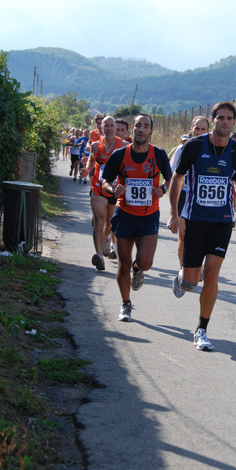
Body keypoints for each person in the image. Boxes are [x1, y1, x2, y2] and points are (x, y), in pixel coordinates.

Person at [168, 101, 236, 351]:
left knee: (212, 275)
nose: (225, 122)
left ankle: (202, 329)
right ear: (213, 120)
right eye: (221, 118)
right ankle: (182, 278)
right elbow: (177, 178)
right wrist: (174, 214)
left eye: (229, 119)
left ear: (234, 122)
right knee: (192, 279)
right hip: (195, 220)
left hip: (222, 222)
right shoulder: (194, 146)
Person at [102, 114, 172, 322]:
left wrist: (163, 189)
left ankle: (138, 269)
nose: (141, 129)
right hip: (124, 214)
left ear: (151, 131)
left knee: (146, 261)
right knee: (123, 262)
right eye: (138, 125)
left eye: (146, 126)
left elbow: (171, 178)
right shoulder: (119, 155)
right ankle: (125, 304)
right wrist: (114, 189)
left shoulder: (158, 155)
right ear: (132, 129)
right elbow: (106, 182)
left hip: (149, 215)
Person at [81, 117, 129, 270]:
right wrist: (86, 169)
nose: (108, 128)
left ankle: (106, 239)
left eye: (111, 126)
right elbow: (91, 160)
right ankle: (99, 255)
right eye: (105, 126)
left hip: (115, 189)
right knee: (99, 219)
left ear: (115, 128)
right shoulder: (96, 145)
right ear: (101, 128)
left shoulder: (125, 146)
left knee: (109, 223)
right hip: (98, 187)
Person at [170, 116, 210, 267]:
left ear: (208, 131)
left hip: (204, 199)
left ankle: (197, 265)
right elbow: (171, 173)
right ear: (191, 130)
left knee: (202, 236)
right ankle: (183, 269)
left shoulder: (213, 150)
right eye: (197, 129)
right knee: (183, 235)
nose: (199, 132)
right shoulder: (182, 149)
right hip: (185, 196)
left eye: (203, 129)